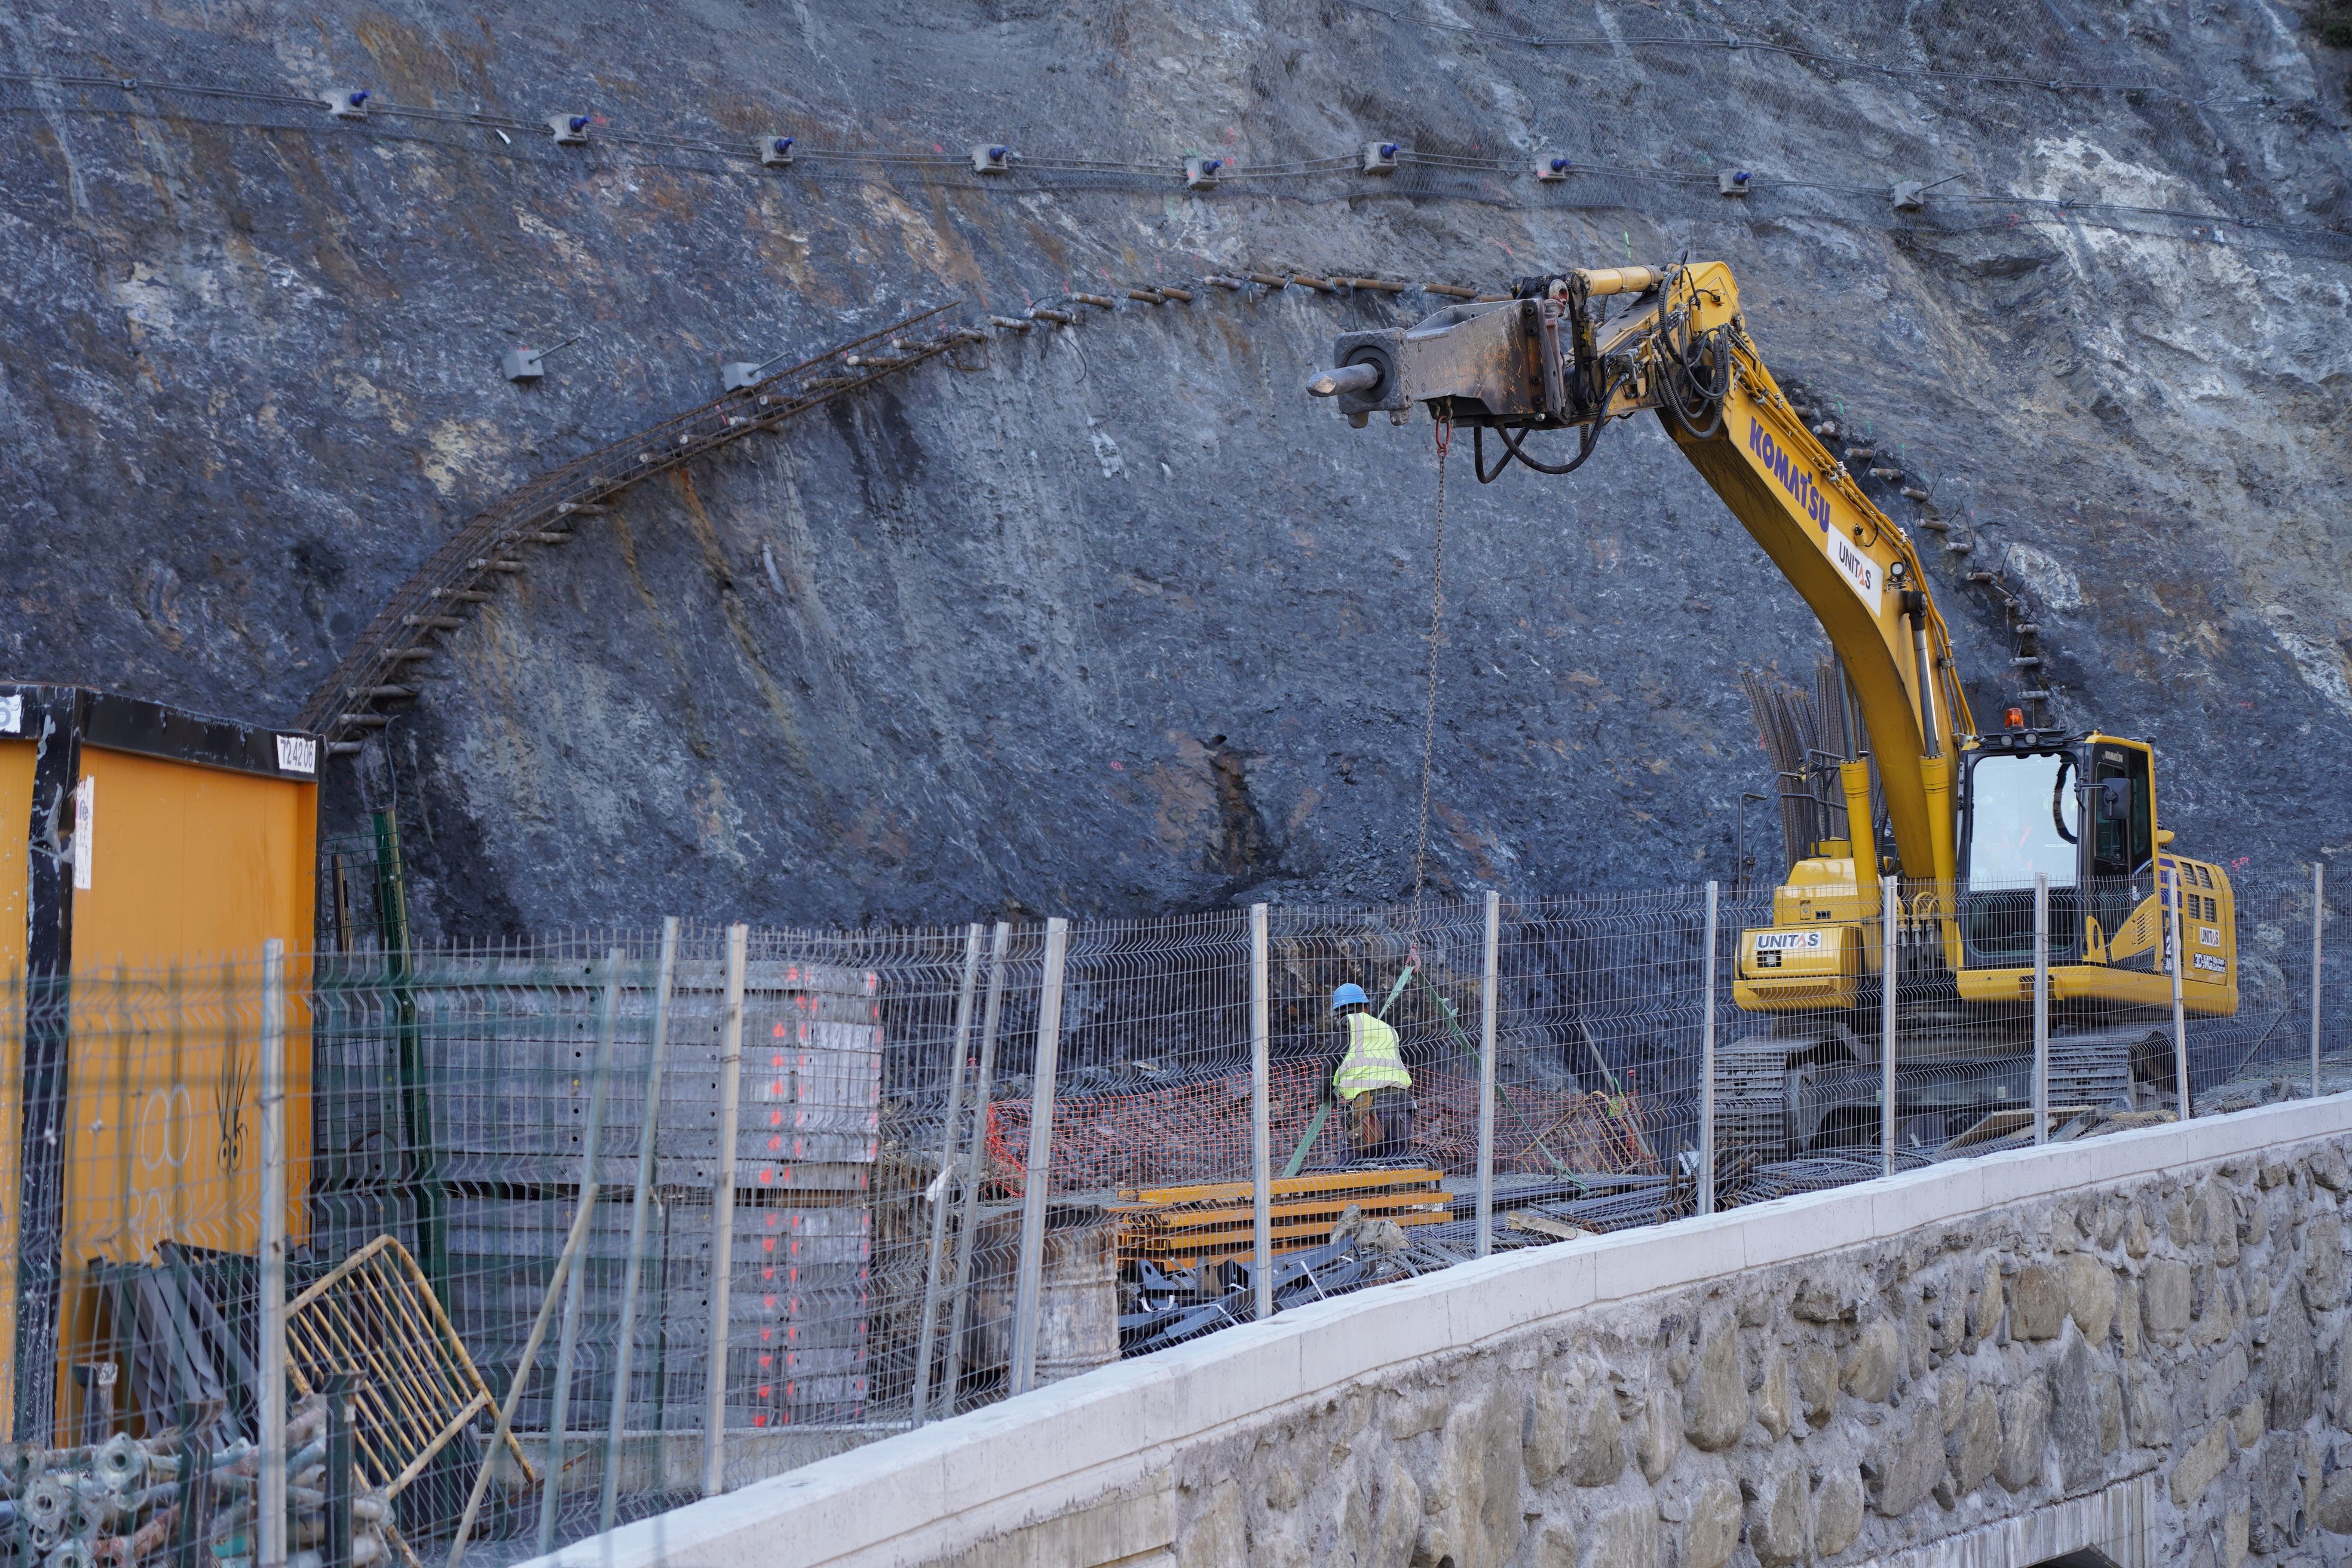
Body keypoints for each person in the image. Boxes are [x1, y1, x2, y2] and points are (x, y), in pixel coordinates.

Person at [1324, 982, 1413, 1162]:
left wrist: (1325, 1095)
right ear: (1366, 1007)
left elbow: (1330, 1066)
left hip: (1368, 1107)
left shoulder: (1347, 1028)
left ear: (1338, 1013)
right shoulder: (1389, 1030)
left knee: (1351, 1166)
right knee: (1396, 1167)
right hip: (1403, 1104)